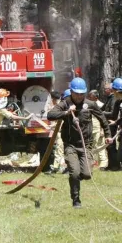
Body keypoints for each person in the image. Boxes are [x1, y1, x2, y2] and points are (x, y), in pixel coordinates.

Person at [48, 78, 112, 209]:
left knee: (87, 174)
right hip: (70, 145)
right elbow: (50, 115)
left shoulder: (90, 104)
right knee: (74, 173)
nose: (79, 96)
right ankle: (76, 199)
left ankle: (79, 177)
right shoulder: (65, 103)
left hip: (86, 145)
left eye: (81, 93)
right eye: (76, 93)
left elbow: (103, 119)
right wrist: (66, 112)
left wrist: (108, 135)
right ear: (71, 92)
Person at [44, 90, 65, 173]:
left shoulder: (60, 107)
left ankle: (57, 167)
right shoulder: (55, 105)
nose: (52, 101)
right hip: (56, 131)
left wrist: (52, 126)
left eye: (52, 99)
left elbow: (61, 121)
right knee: (57, 149)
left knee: (59, 149)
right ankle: (57, 166)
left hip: (60, 131)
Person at [87, 90, 109, 169]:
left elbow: (102, 119)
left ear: (95, 97)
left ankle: (103, 163)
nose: (89, 97)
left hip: (98, 128)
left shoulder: (100, 105)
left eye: (91, 96)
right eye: (89, 96)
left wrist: (102, 130)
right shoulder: (88, 105)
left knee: (99, 146)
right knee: (93, 145)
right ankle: (94, 162)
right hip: (91, 127)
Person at [101, 82, 119, 170]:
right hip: (109, 124)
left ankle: (115, 165)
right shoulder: (109, 98)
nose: (104, 90)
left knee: (111, 145)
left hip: (112, 125)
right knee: (109, 145)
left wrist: (102, 113)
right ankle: (111, 165)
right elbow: (102, 109)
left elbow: (112, 114)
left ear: (111, 89)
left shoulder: (114, 99)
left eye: (105, 88)